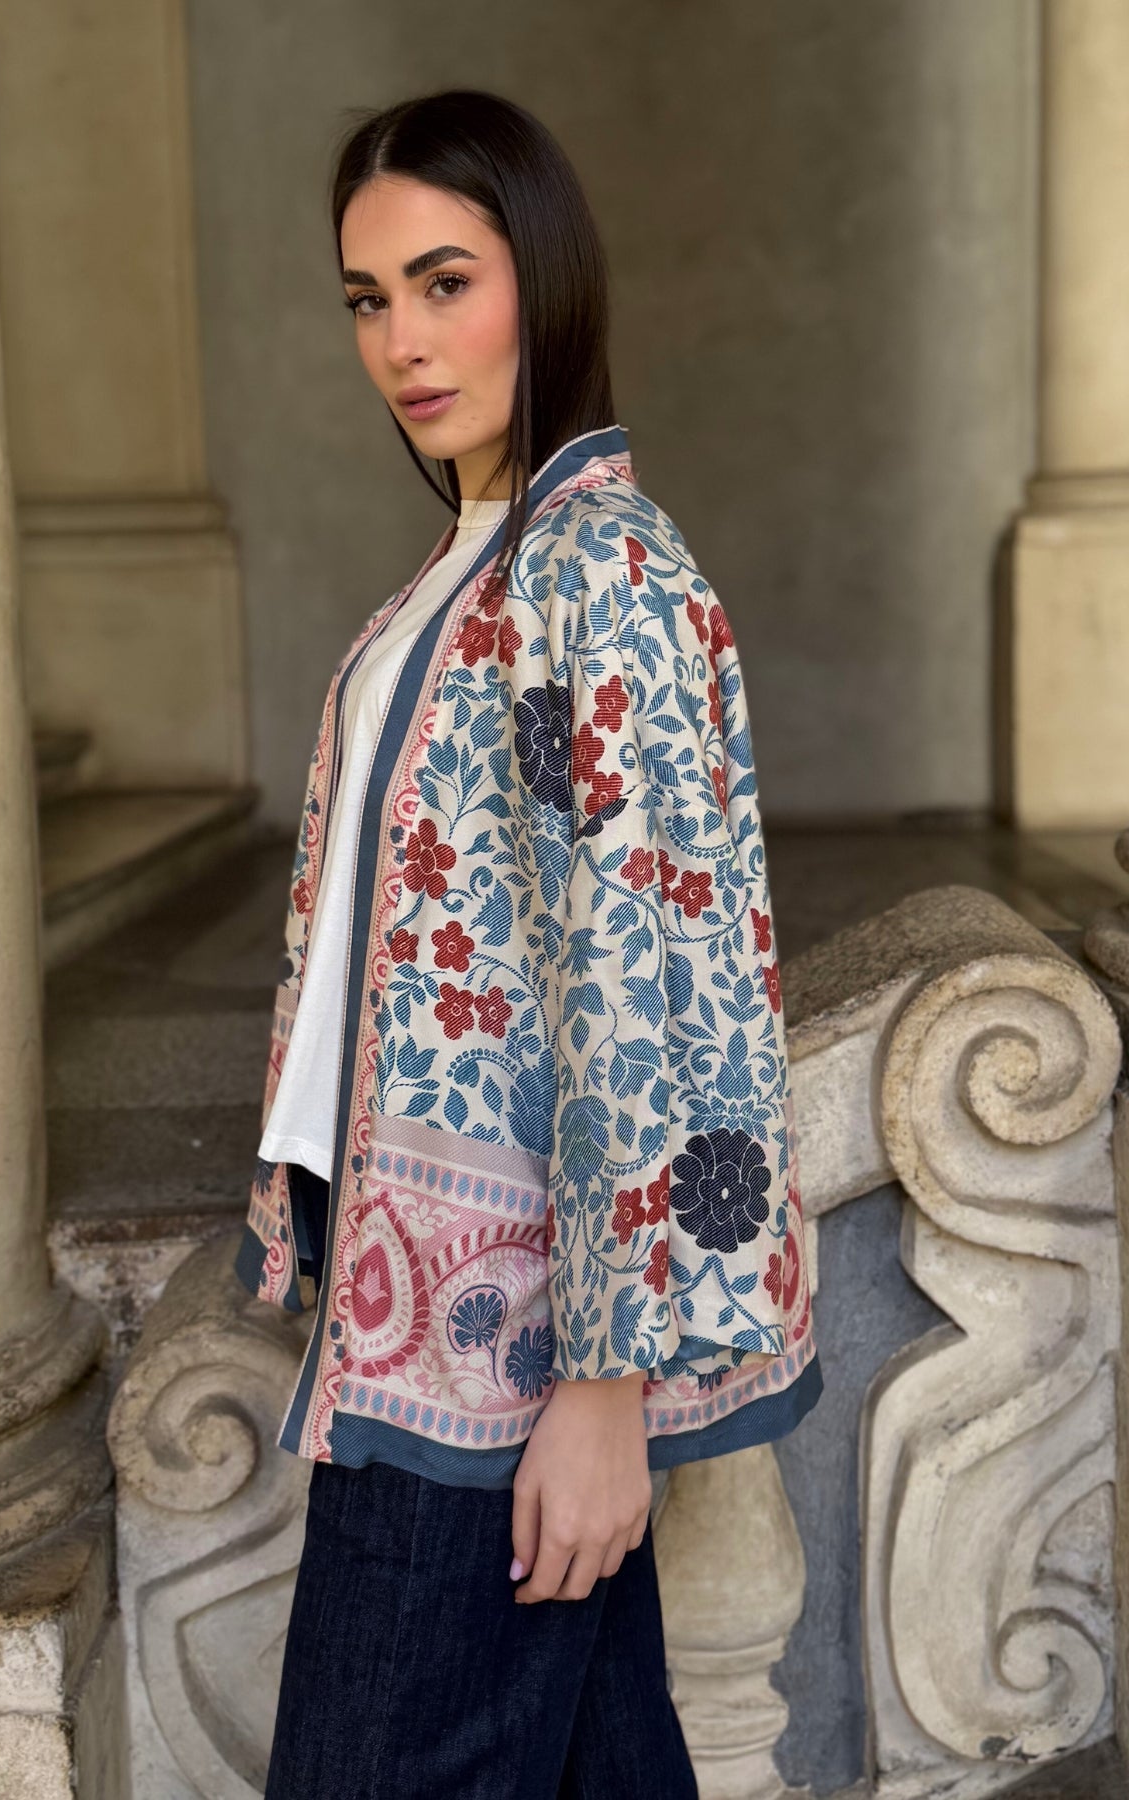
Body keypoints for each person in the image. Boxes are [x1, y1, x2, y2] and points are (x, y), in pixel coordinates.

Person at [235, 86, 824, 1800]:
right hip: (415, 1288)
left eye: (446, 283)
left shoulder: (596, 572)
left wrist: (604, 1388)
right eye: (369, 300)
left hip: (499, 1344)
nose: (403, 343)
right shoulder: (472, 561)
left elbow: (650, 985)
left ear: (542, 280)